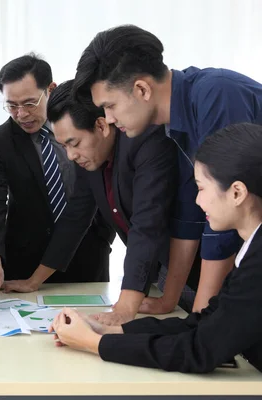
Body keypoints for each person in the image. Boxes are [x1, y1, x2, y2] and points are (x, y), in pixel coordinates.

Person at [73, 24, 262, 313]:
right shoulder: (172, 123)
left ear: (141, 89)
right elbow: (190, 213)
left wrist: (199, 320)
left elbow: (225, 217)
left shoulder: (216, 95)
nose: (108, 119)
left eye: (110, 106)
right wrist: (169, 299)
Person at [50, 123, 262, 373]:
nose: (197, 200)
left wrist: (93, 343)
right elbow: (203, 323)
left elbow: (199, 350)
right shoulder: (252, 251)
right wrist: (109, 331)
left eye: (201, 188)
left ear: (236, 192)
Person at [48, 80, 201, 324]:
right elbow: (77, 214)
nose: (70, 155)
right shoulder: (91, 157)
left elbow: (147, 222)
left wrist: (125, 307)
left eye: (74, 143)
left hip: (203, 267)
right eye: (63, 145)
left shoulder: (145, 139)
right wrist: (34, 280)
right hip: (161, 271)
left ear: (101, 125)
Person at [0, 54, 115, 297]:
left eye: (29, 103)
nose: (20, 114)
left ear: (50, 89)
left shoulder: (84, 122)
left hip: (88, 250)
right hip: (27, 258)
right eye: (11, 105)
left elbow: (88, 196)